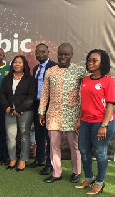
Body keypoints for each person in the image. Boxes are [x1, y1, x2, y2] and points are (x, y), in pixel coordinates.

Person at [39, 43, 87, 183]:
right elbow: (45, 93)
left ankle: (76, 172)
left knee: (75, 145)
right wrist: (41, 111)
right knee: (54, 145)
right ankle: (56, 173)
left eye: (66, 54)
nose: (63, 57)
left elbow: (90, 85)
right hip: (53, 114)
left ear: (72, 54)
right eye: (60, 54)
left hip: (73, 114)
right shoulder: (50, 71)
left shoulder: (80, 71)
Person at [75, 49, 115, 195]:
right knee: (84, 151)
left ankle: (99, 182)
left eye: (94, 60)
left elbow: (110, 105)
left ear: (102, 63)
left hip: (102, 123)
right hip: (85, 122)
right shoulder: (85, 80)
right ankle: (89, 177)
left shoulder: (109, 81)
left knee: (100, 152)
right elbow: (83, 103)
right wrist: (79, 121)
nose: (90, 62)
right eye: (89, 60)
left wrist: (104, 125)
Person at [0, 55, 37, 171]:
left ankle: (22, 160)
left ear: (24, 65)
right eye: (15, 62)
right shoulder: (7, 78)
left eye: (19, 62)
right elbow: (2, 94)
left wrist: (19, 109)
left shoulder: (30, 79)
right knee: (10, 136)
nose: (17, 64)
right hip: (9, 111)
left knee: (24, 136)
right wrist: (6, 106)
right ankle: (12, 159)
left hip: (25, 111)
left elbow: (31, 97)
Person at [27, 43, 57, 175]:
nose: (40, 54)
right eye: (38, 52)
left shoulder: (54, 67)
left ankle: (49, 164)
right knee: (39, 134)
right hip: (37, 105)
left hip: (50, 105)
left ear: (48, 52)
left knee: (49, 136)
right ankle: (39, 159)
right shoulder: (35, 68)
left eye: (43, 52)